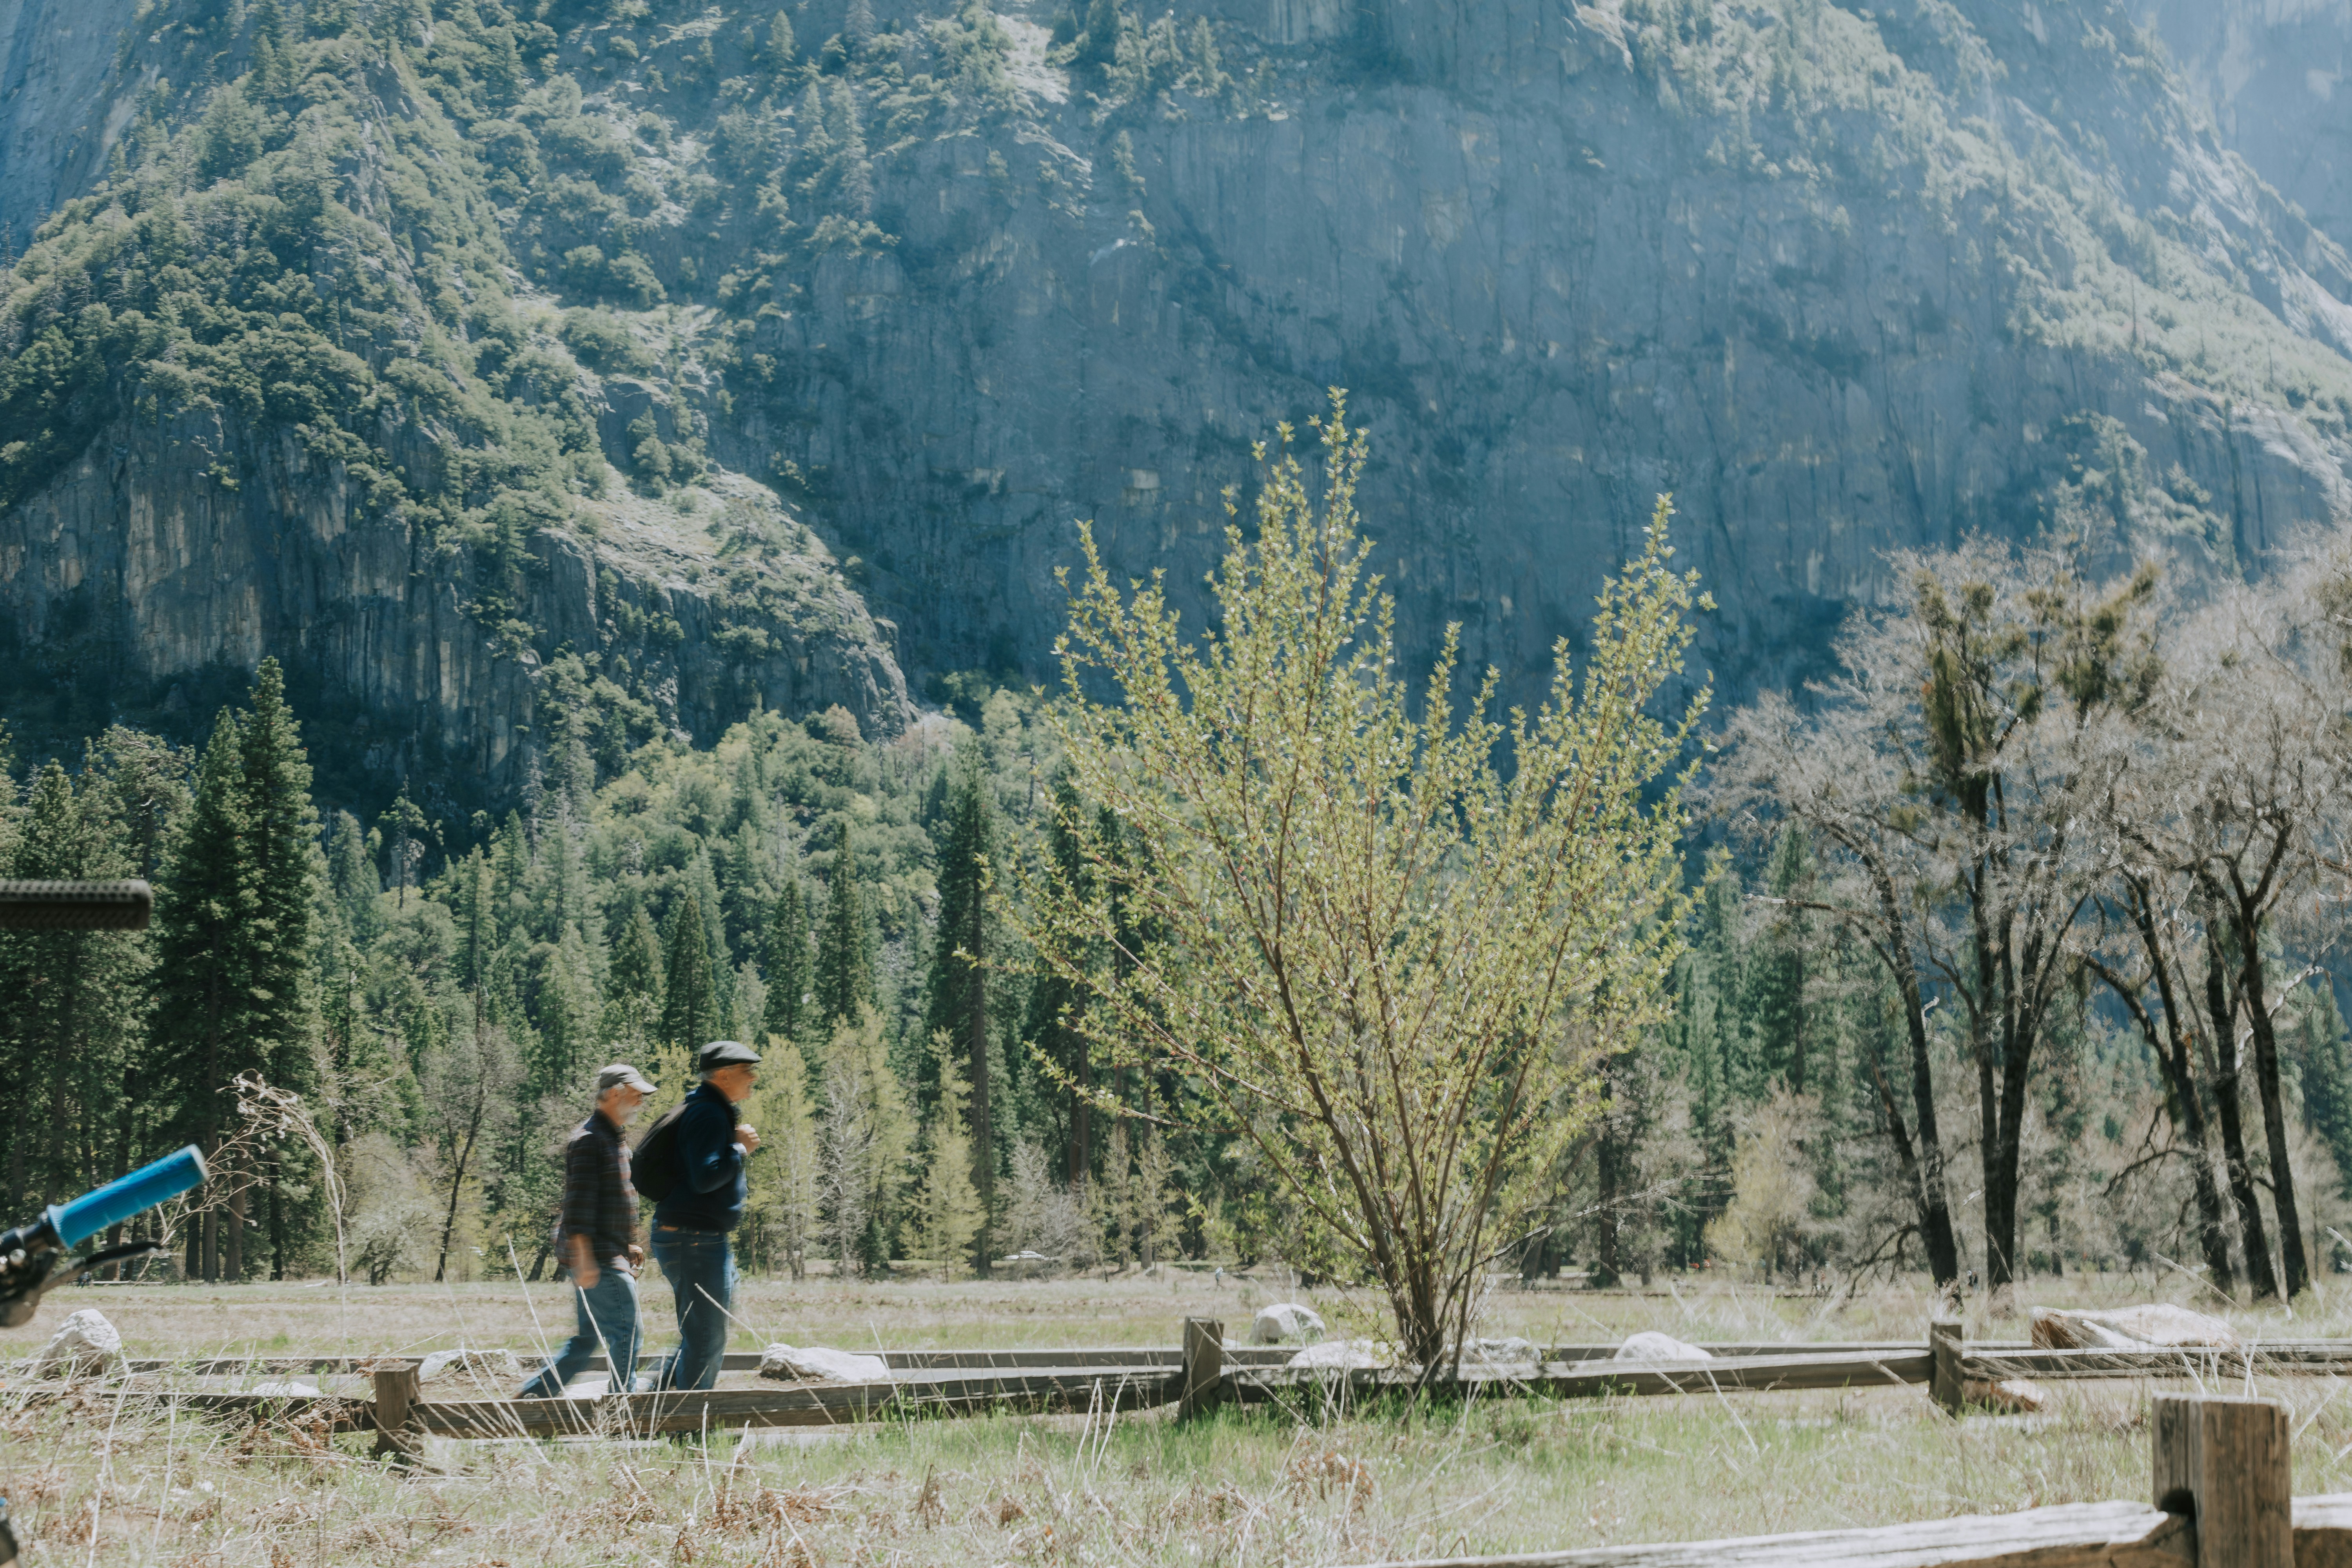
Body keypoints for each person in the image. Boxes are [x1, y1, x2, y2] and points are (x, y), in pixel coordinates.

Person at [518, 1063, 657, 1400]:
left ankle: (534, 1397)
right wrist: (584, 1261)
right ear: (613, 1093)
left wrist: (628, 1243)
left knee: (586, 1339)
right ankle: (620, 1409)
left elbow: (609, 1201)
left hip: (608, 1250)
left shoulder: (613, 1139)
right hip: (597, 1257)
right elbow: (579, 1205)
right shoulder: (589, 1141)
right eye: (636, 1093)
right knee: (627, 1332)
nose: (641, 1101)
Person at [652, 1039, 760, 1391]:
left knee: (701, 1332)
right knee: (706, 1338)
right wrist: (740, 1148)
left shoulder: (706, 1107)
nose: (754, 1078)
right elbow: (706, 1178)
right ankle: (685, 1430)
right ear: (725, 1075)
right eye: (748, 1071)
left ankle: (658, 1401)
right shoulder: (709, 1113)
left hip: (699, 1239)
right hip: (694, 1240)